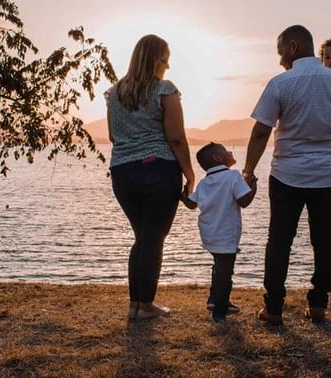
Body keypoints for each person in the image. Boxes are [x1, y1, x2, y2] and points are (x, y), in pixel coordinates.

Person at [243, 25, 331, 324]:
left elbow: (260, 131)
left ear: (293, 47)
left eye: (280, 50)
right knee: (325, 240)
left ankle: (273, 308)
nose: (280, 57)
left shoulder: (281, 83)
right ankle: (319, 304)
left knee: (279, 240)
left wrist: (248, 170)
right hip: (329, 175)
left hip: (287, 175)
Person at [106, 34, 195, 320]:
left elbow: (112, 136)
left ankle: (136, 304)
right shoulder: (164, 90)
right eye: (165, 60)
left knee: (142, 237)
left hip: (122, 172)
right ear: (154, 60)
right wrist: (190, 174)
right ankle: (145, 305)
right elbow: (177, 138)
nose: (167, 67)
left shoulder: (114, 93)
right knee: (153, 239)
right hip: (158, 170)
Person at [180, 143, 257, 322]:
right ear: (218, 158)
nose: (230, 151)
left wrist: (184, 193)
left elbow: (191, 203)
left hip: (209, 233)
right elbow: (244, 201)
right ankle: (220, 310)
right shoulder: (233, 176)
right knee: (225, 272)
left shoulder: (204, 182)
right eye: (226, 150)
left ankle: (215, 299)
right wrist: (252, 187)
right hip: (226, 234)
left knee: (219, 267)